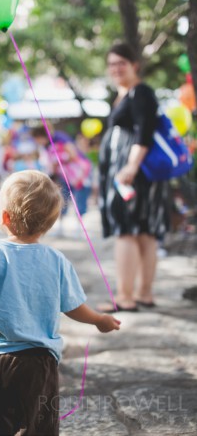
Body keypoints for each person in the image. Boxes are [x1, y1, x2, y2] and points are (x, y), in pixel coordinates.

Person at [0, 170, 121, 435]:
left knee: (0, 426)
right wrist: (99, 319)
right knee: (39, 427)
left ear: (5, 218)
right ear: (50, 222)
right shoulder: (56, 260)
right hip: (40, 361)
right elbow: (72, 306)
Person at [98, 43, 169, 312]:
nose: (116, 68)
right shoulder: (127, 94)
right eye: (112, 64)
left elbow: (144, 134)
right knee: (143, 233)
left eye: (121, 63)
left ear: (134, 65)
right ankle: (143, 294)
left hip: (132, 173)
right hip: (135, 173)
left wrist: (130, 167)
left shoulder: (140, 93)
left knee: (126, 230)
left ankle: (127, 297)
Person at [32, 124, 92, 236]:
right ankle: (61, 228)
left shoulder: (59, 138)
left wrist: (58, 161)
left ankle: (80, 229)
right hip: (64, 176)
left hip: (78, 174)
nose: (37, 142)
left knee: (79, 200)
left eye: (37, 139)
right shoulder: (46, 145)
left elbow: (73, 154)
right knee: (61, 199)